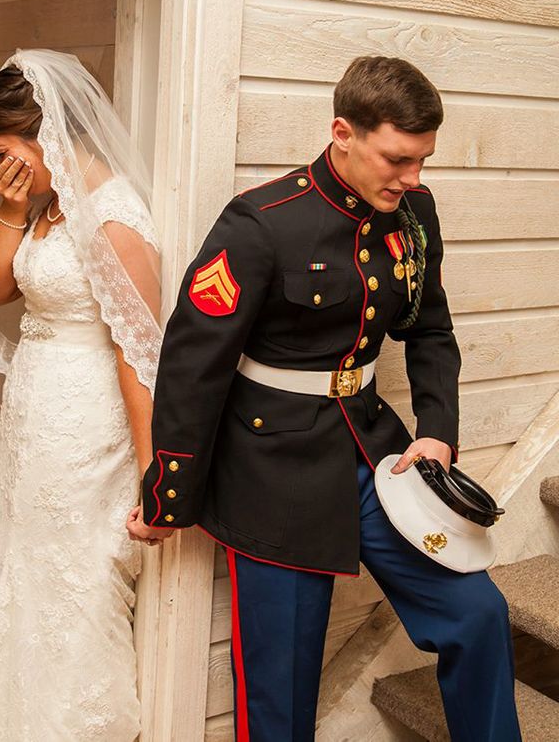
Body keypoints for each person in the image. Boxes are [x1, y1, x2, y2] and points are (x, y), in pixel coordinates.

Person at [128, 57, 521, 741]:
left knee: (477, 613)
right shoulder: (261, 223)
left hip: (376, 453)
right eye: (399, 159)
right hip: (272, 470)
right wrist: (169, 494)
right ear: (342, 131)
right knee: (281, 695)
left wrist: (437, 431)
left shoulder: (414, 212)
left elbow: (429, 327)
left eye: (423, 160)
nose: (414, 179)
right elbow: (194, 366)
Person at [0, 49, 161, 741]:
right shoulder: (46, 203)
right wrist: (10, 206)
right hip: (33, 416)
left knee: (71, 578)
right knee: (18, 560)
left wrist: (153, 470)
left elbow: (138, 353)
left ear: (44, 134)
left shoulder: (113, 218)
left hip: (87, 429)